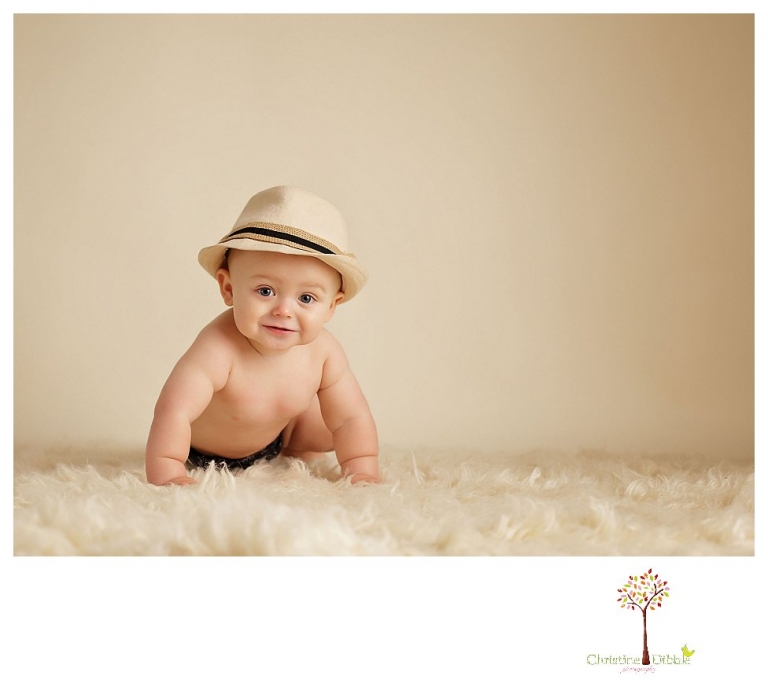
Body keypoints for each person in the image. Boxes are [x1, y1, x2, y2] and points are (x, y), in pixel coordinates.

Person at [145, 186, 379, 486]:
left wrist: (362, 467)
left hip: (276, 437)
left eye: (306, 298)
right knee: (178, 417)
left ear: (331, 307)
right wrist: (167, 469)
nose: (284, 310)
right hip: (203, 451)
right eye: (265, 291)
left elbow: (351, 417)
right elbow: (173, 409)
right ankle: (177, 459)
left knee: (331, 422)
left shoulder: (325, 351)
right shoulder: (218, 347)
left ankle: (296, 446)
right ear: (228, 289)